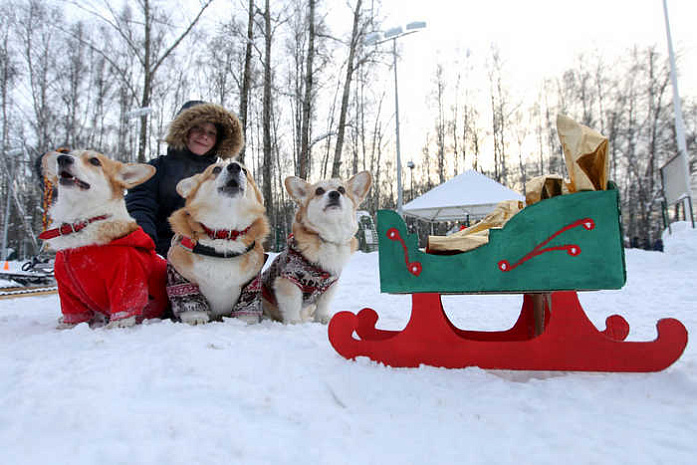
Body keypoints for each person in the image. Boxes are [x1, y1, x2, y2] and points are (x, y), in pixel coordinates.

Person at [125, 100, 244, 257]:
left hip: (209, 257)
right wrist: (146, 246)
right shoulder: (156, 168)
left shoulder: (222, 176)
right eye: (198, 129)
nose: (204, 136)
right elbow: (139, 207)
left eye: (211, 133)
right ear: (183, 130)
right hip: (160, 253)